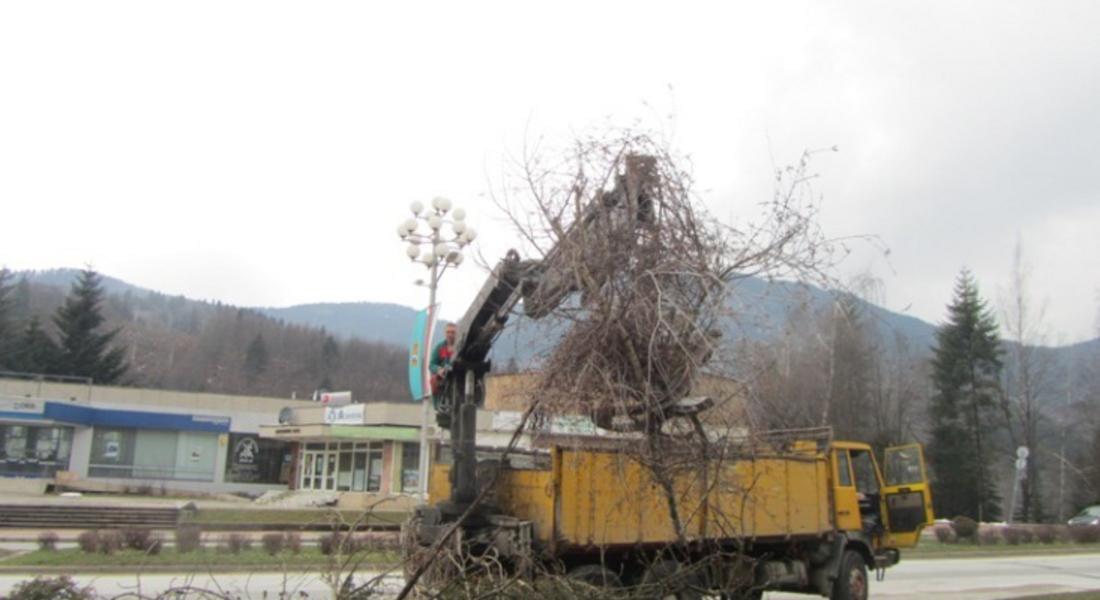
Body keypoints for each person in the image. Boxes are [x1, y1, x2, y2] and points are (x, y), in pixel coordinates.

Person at [429, 323, 458, 408]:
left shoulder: (460, 346)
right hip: (443, 375)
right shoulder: (439, 347)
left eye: (452, 332)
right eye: (448, 332)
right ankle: (437, 407)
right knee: (434, 381)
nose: (450, 335)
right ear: (445, 333)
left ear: (457, 333)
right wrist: (439, 370)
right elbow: (432, 364)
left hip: (458, 375)